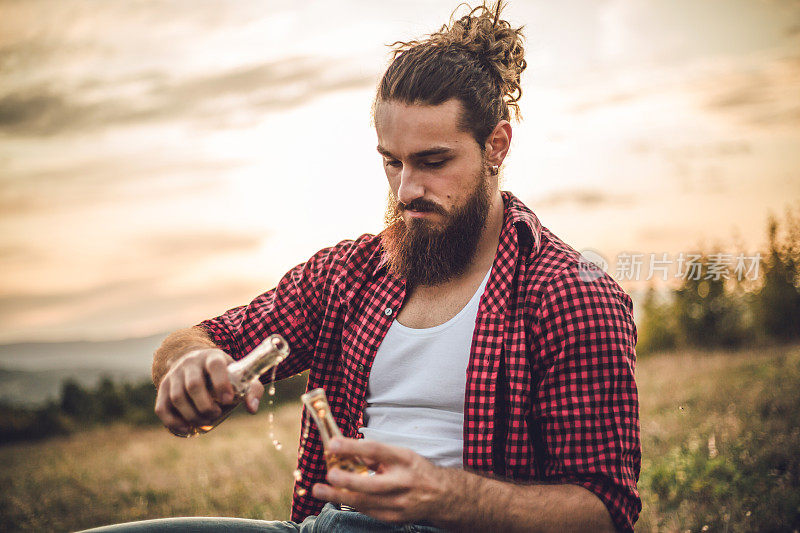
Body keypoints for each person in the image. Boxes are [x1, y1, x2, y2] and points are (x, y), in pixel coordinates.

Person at [147, 2, 641, 532]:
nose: (407, 190)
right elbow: (205, 337)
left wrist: (447, 496)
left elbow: (604, 512)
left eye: (433, 162)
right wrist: (190, 366)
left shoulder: (571, 294)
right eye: (392, 161)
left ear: (496, 145)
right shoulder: (349, 273)